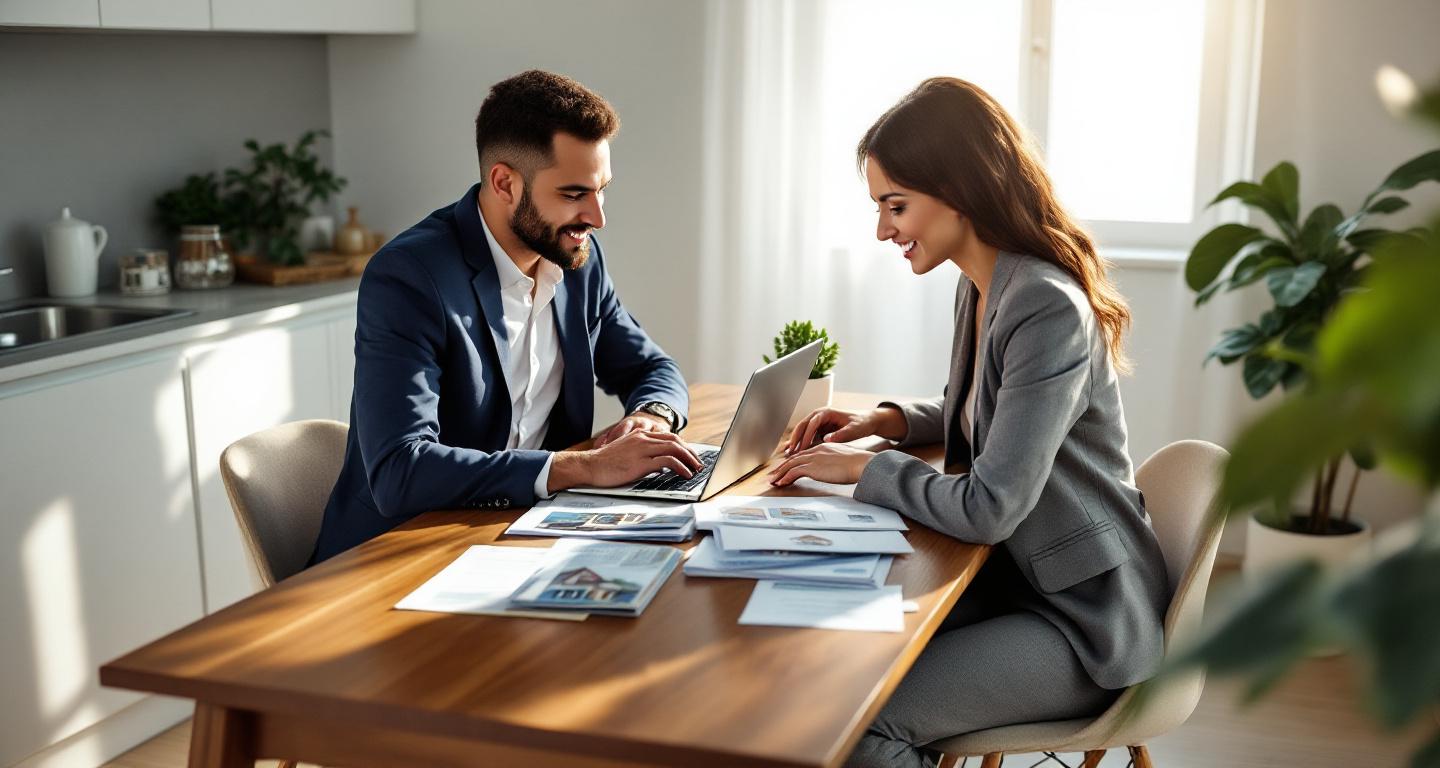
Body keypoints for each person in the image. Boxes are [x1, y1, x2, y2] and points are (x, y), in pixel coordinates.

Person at [768, 77, 1171, 768]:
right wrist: (885, 421)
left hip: (1081, 618)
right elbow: (995, 412)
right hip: (1020, 582)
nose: (882, 229)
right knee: (824, 652)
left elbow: (990, 508)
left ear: (958, 189)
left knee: (860, 726)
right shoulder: (986, 283)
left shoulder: (1043, 303)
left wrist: (869, 470)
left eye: (895, 206)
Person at [312, 70, 703, 564]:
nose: (598, 216)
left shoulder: (576, 259)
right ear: (504, 183)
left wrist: (652, 417)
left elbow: (653, 369)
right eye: (574, 194)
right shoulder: (410, 277)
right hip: (400, 550)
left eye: (602, 189)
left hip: (523, 536)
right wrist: (577, 468)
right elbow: (400, 470)